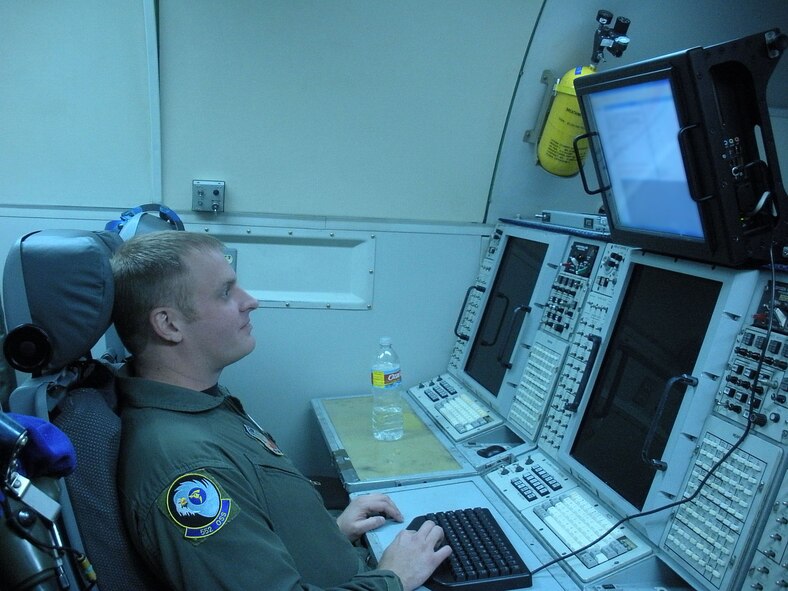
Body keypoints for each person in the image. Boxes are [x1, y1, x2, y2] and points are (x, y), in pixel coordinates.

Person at [110, 230, 451, 591]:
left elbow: (249, 536)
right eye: (226, 292)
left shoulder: (199, 403)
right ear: (169, 324)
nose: (250, 301)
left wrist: (326, 533)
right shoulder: (187, 465)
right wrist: (394, 579)